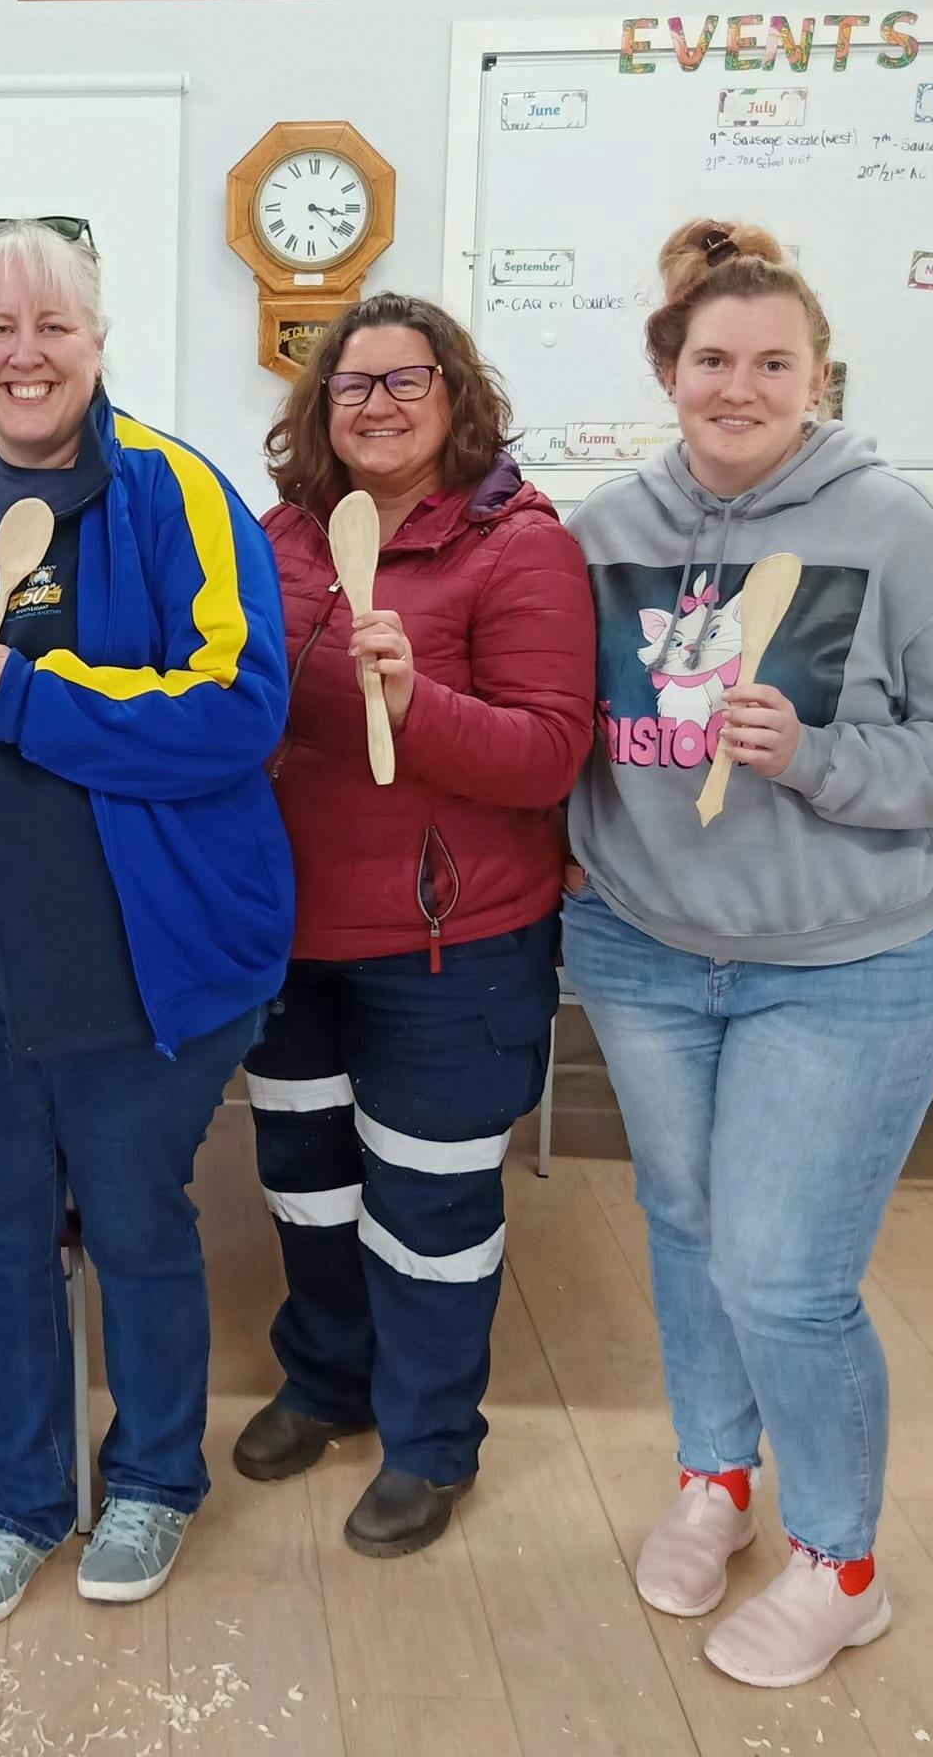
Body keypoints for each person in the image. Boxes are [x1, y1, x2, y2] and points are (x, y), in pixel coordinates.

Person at [0, 216, 294, 1629]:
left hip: (126, 948)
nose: (24, 356)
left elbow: (239, 709)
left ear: (101, 341)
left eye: (53, 329)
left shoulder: (168, 490)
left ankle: (151, 1478)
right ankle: (23, 1498)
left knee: (140, 1223)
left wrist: (32, 699)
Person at [561, 220, 933, 1687]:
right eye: (711, 361)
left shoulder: (895, 528)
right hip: (642, 952)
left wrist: (818, 757)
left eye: (773, 363)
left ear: (819, 375)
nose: (739, 387)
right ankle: (715, 1480)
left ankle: (842, 1560)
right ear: (668, 371)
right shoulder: (607, 531)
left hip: (846, 967)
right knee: (685, 1234)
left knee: (785, 1277)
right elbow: (564, 727)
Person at [236, 295, 595, 1556]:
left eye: (405, 379)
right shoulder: (273, 537)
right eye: (350, 385)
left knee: (429, 1205)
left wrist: (417, 698)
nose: (376, 403)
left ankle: (431, 1438)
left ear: (456, 395)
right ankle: (327, 1382)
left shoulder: (519, 547)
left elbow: (549, 756)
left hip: (450, 945)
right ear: (315, 408)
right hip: (284, 935)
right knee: (307, 1185)